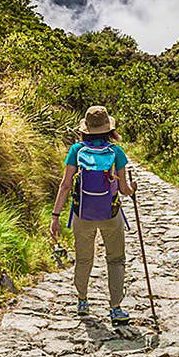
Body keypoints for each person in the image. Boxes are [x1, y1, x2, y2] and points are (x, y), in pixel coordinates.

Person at [50, 104, 138, 324]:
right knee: (116, 260)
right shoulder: (116, 152)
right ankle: (116, 308)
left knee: (84, 259)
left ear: (86, 129)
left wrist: (55, 215)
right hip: (111, 214)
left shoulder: (76, 151)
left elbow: (65, 185)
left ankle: (82, 301)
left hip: (83, 214)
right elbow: (125, 190)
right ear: (108, 129)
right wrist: (132, 188)